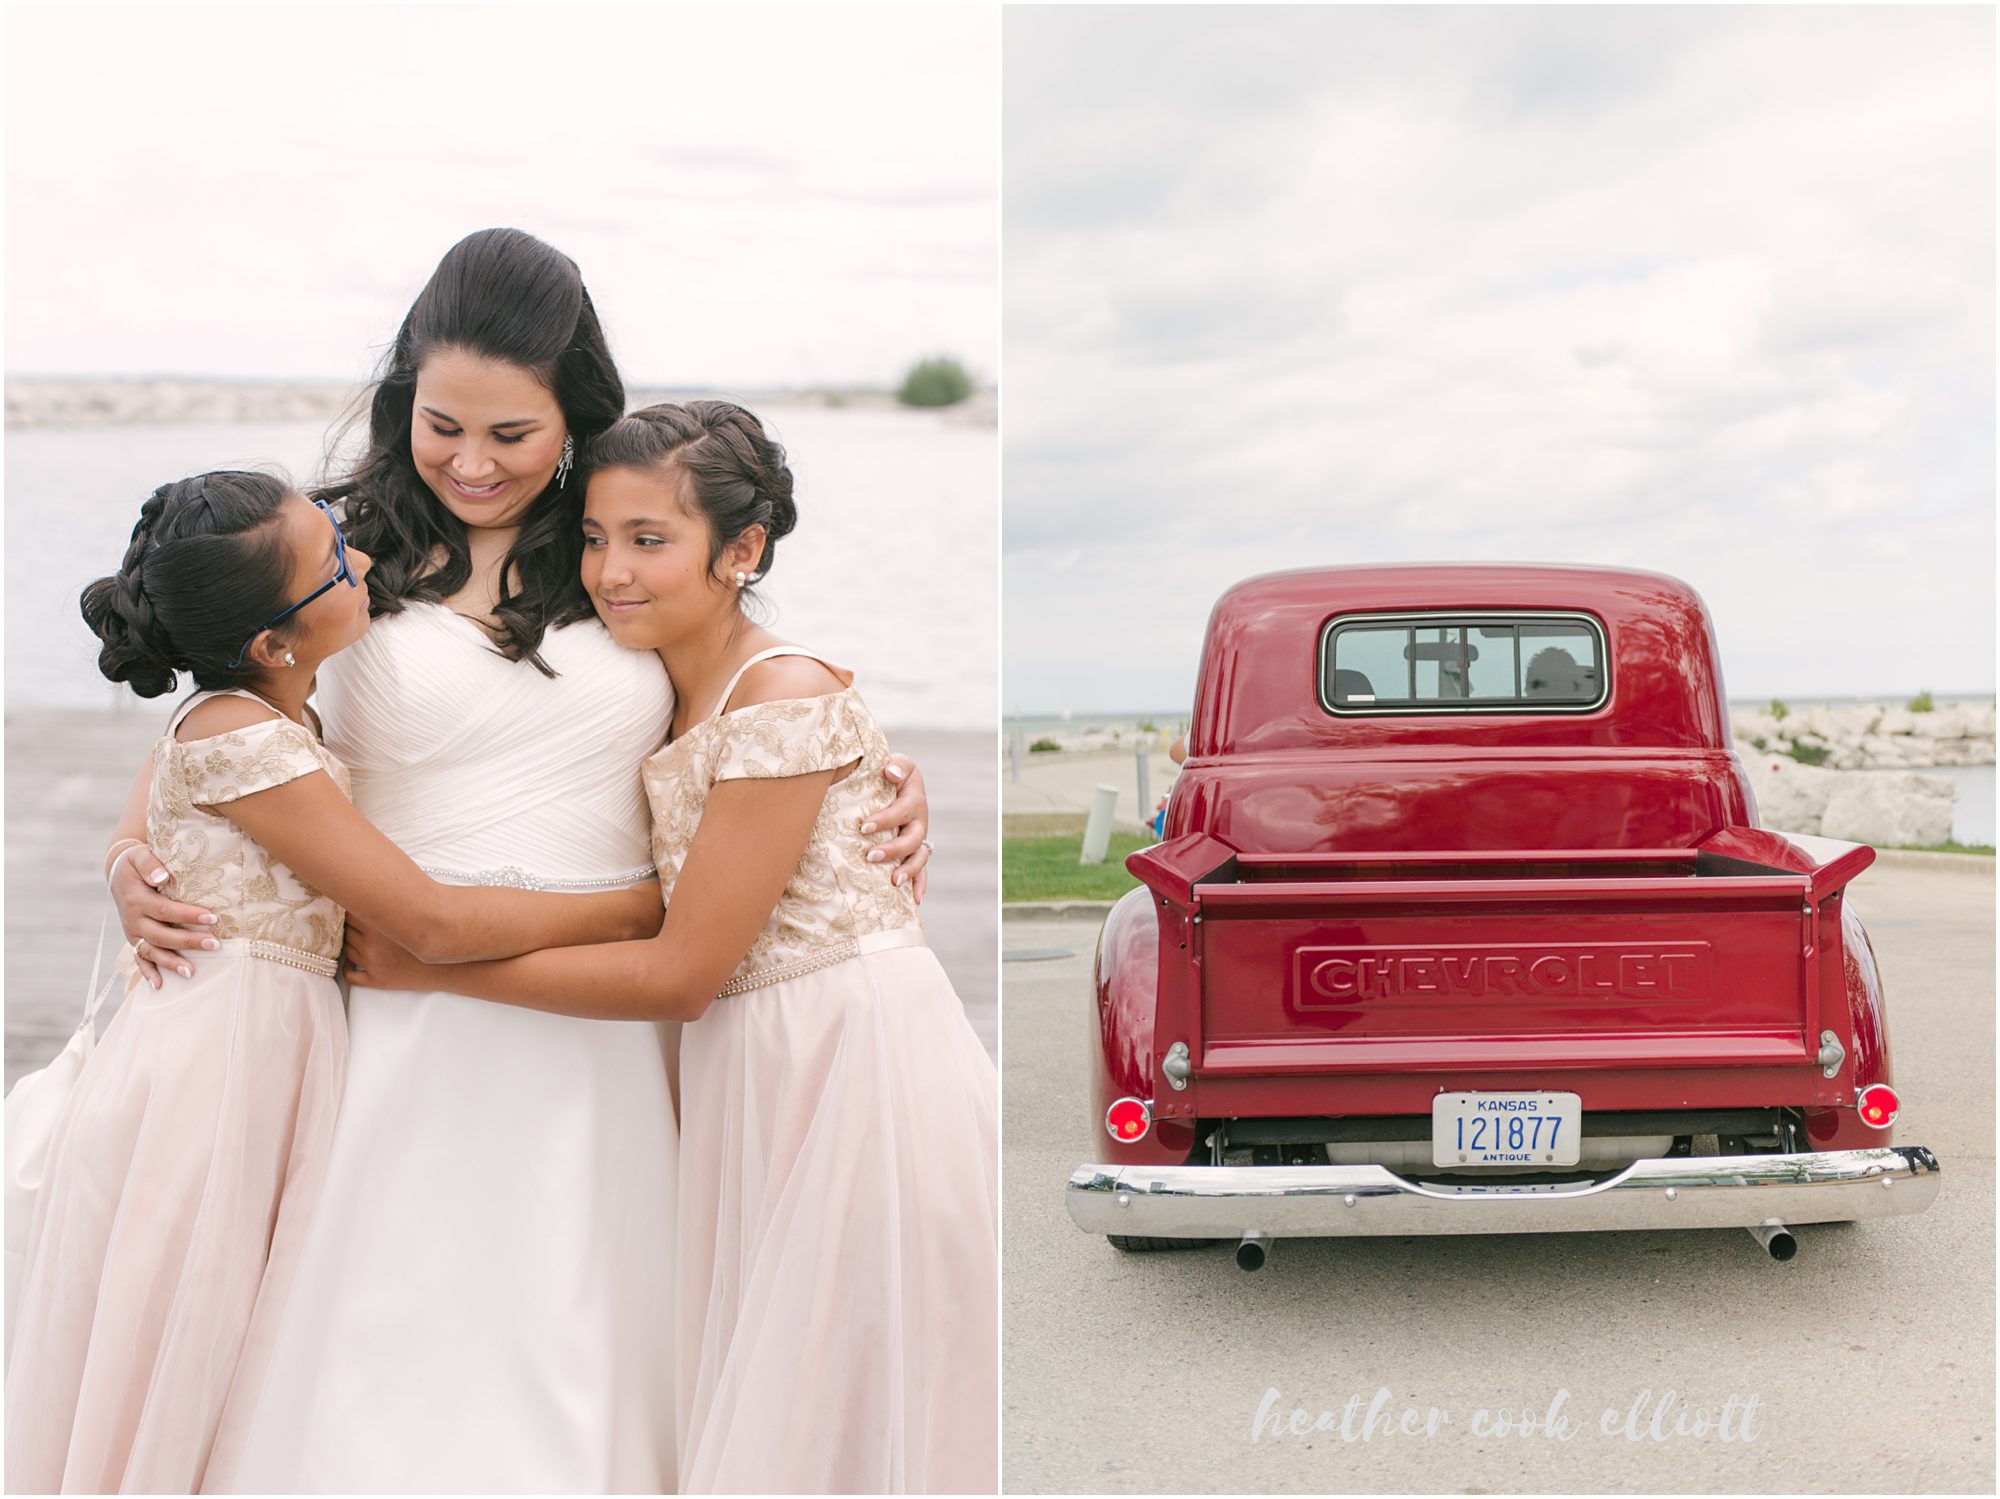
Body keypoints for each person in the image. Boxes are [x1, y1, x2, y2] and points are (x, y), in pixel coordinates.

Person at [99, 232, 931, 1492]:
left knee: (594, 1342)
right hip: (395, 1006)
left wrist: (878, 783)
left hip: (609, 1016)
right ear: (403, 401)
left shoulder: (622, 542)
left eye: (513, 434)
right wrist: (123, 859)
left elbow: (748, 697)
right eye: (443, 426)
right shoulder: (337, 552)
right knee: (378, 1352)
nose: (473, 464)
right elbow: (220, 725)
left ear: (573, 418)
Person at [344, 402, 998, 1494]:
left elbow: (680, 973)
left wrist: (434, 959)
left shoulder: (778, 690)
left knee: (845, 1404)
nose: (610, 572)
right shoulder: (667, 680)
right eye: (595, 538)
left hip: (841, 1059)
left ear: (740, 552)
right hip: (754, 1063)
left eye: (651, 540)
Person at [8, 473, 666, 1493]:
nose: (358, 560)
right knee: (189, 1337)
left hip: (273, 1046)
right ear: (274, 641)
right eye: (331, 565)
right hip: (216, 1065)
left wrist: (124, 854)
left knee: (250, 1336)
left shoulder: (263, 709)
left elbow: (163, 799)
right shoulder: (241, 734)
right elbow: (430, 920)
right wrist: (634, 909)